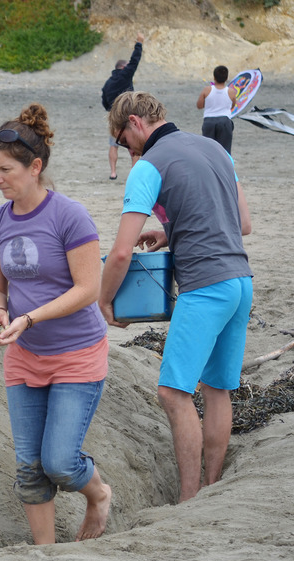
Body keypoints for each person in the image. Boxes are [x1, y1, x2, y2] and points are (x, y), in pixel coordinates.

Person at [100, 91, 253, 503]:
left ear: (134, 123)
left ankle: (188, 499)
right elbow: (243, 223)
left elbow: (119, 252)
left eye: (120, 140)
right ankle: (212, 485)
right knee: (217, 388)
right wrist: (170, 232)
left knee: (172, 392)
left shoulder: (149, 165)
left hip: (204, 286)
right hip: (240, 281)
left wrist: (104, 300)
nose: (125, 149)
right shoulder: (215, 149)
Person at [0, 103, 112, 545]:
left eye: (6, 170)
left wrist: (30, 316)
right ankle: (46, 557)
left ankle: (99, 495)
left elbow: (88, 290)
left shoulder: (69, 215)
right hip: (24, 355)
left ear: (35, 167)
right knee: (29, 466)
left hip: (77, 353)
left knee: (59, 462)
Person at [101, 33, 144, 180]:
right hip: (128, 116)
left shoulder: (108, 83)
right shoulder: (125, 75)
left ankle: (113, 172)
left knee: (114, 145)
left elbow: (104, 101)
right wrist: (139, 43)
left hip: (113, 117)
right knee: (135, 147)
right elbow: (134, 61)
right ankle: (134, 171)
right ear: (123, 67)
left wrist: (111, 111)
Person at [197, 65, 237, 153]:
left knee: (208, 150)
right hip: (224, 121)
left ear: (214, 77)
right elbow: (232, 106)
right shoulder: (231, 92)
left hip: (209, 121)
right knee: (225, 150)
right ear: (226, 78)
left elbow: (199, 105)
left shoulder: (206, 90)